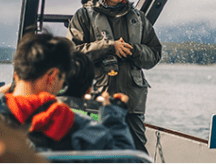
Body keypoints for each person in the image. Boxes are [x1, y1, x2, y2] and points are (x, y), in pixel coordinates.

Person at [66, 0, 162, 152]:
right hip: (96, 99)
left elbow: (155, 54)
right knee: (96, 150)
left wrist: (135, 50)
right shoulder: (83, 16)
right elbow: (72, 54)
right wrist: (109, 47)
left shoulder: (139, 18)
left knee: (137, 152)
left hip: (132, 102)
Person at [0, 30, 136, 152]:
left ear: (17, 74)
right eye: (62, 79)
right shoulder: (71, 124)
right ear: (52, 77)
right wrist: (114, 116)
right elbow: (127, 159)